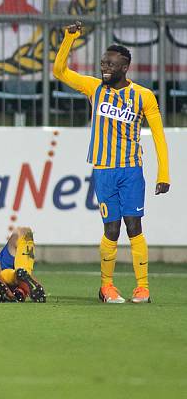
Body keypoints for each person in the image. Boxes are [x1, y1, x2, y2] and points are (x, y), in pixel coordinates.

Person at [53, 20, 170, 304]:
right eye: (103, 62)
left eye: (111, 64)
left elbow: (158, 136)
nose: (105, 67)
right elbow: (59, 71)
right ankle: (106, 287)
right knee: (111, 229)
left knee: (134, 226)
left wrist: (163, 173)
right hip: (103, 170)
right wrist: (69, 39)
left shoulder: (143, 96)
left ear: (125, 67)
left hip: (131, 170)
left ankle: (142, 287)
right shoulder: (94, 88)